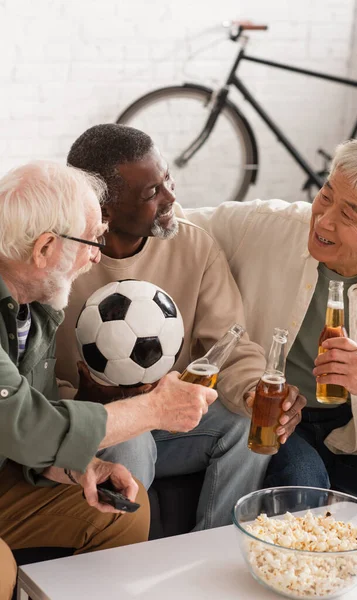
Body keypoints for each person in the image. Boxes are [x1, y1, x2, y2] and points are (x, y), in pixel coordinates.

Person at [56, 124, 307, 532]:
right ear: (103, 209)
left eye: (167, 179)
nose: (171, 197)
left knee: (245, 422)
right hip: (99, 425)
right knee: (131, 433)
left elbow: (231, 344)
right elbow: (38, 379)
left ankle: (211, 551)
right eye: (152, 192)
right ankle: (123, 562)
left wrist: (252, 392)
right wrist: (105, 403)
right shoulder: (60, 262)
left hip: (176, 418)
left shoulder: (195, 246)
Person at [0, 161, 217, 598]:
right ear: (44, 249)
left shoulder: (35, 311)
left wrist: (83, 466)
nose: (97, 254)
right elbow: (24, 424)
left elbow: (32, 429)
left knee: (122, 512)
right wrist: (155, 408)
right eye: (91, 239)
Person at [187, 138, 357, 501]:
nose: (324, 219)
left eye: (348, 214)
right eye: (327, 194)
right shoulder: (266, 225)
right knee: (303, 487)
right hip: (278, 415)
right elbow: (177, 223)